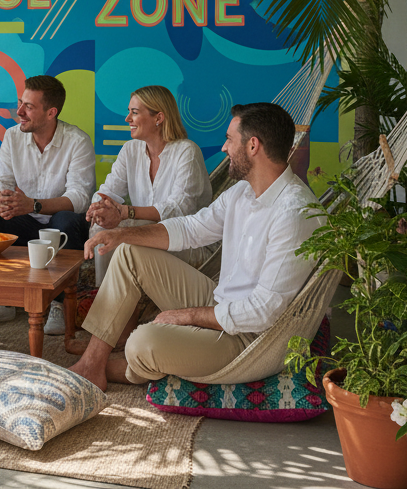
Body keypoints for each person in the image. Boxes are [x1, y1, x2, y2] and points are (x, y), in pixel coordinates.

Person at [69, 102, 320, 391]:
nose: (224, 149)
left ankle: (122, 366)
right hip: (221, 304)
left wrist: (185, 316)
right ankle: (93, 362)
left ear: (253, 146)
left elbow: (263, 311)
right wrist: (121, 236)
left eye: (229, 139)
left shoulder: (294, 213)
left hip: (250, 340)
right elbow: (192, 228)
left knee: (143, 340)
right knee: (128, 253)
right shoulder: (241, 192)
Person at [0, 75, 94, 333]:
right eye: (20, 103)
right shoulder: (13, 137)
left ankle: (59, 304)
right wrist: (1, 200)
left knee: (66, 220)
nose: (19, 112)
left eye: (28, 107)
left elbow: (80, 198)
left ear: (51, 113)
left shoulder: (77, 141)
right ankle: (2, 301)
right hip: (26, 221)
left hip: (60, 226)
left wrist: (33, 205)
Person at [88, 85, 214, 270]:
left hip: (185, 238)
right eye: (129, 112)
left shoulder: (187, 151)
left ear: (159, 118)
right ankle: (102, 291)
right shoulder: (130, 149)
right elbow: (108, 191)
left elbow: (179, 209)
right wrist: (99, 207)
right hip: (146, 231)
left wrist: (126, 212)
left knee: (130, 235)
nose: (127, 118)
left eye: (135, 112)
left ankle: (134, 291)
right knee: (102, 226)